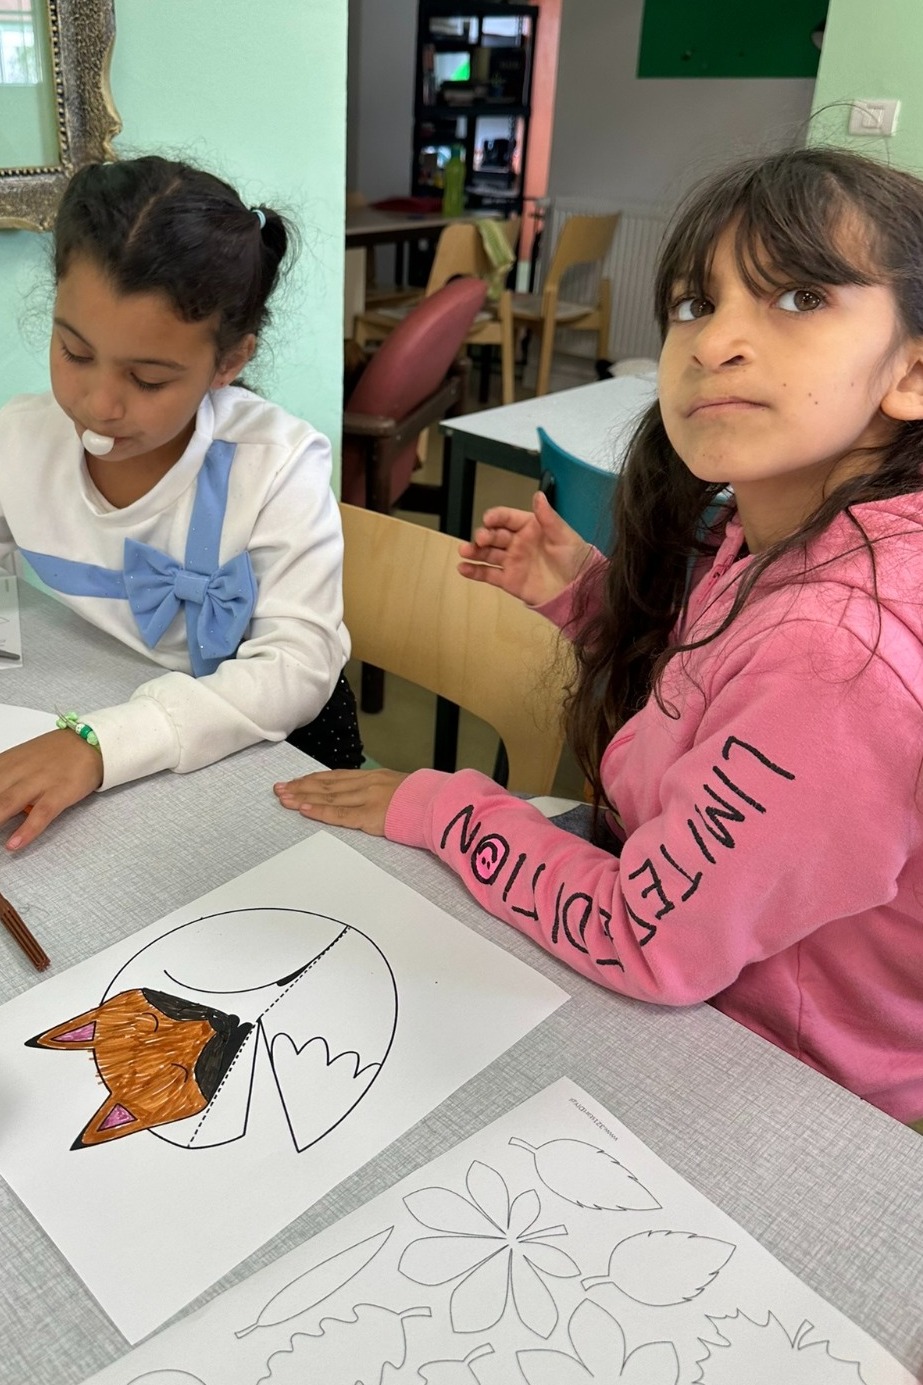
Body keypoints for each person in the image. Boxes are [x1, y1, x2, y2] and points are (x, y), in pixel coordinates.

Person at [273, 146, 923, 1127]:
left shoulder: (838, 652)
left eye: (798, 298)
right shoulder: (789, 532)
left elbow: (644, 939)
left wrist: (439, 805)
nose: (714, 342)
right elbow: (719, 700)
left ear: (910, 370)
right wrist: (588, 599)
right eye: (695, 303)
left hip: (786, 1083)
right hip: (709, 980)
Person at [0, 155, 362, 853]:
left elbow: (299, 664)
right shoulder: (19, 439)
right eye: (74, 352)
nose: (100, 404)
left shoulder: (279, 463)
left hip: (278, 743)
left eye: (147, 379)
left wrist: (101, 743)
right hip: (118, 700)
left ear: (228, 363)